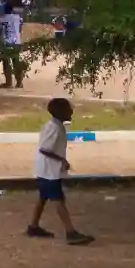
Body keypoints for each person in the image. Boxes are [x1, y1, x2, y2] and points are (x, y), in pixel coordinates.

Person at [29, 97, 94, 245]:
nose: (71, 111)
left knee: (43, 197)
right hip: (49, 170)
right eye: (68, 109)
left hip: (46, 169)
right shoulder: (55, 128)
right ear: (60, 112)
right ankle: (70, 232)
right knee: (58, 199)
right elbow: (45, 149)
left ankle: (33, 226)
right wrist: (62, 160)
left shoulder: (54, 125)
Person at [0, 5, 26, 88]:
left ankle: (8, 83)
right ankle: (19, 82)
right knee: (16, 62)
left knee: (6, 62)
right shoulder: (18, 18)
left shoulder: (0, 19)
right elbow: (20, 29)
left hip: (6, 43)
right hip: (16, 42)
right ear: (12, 10)